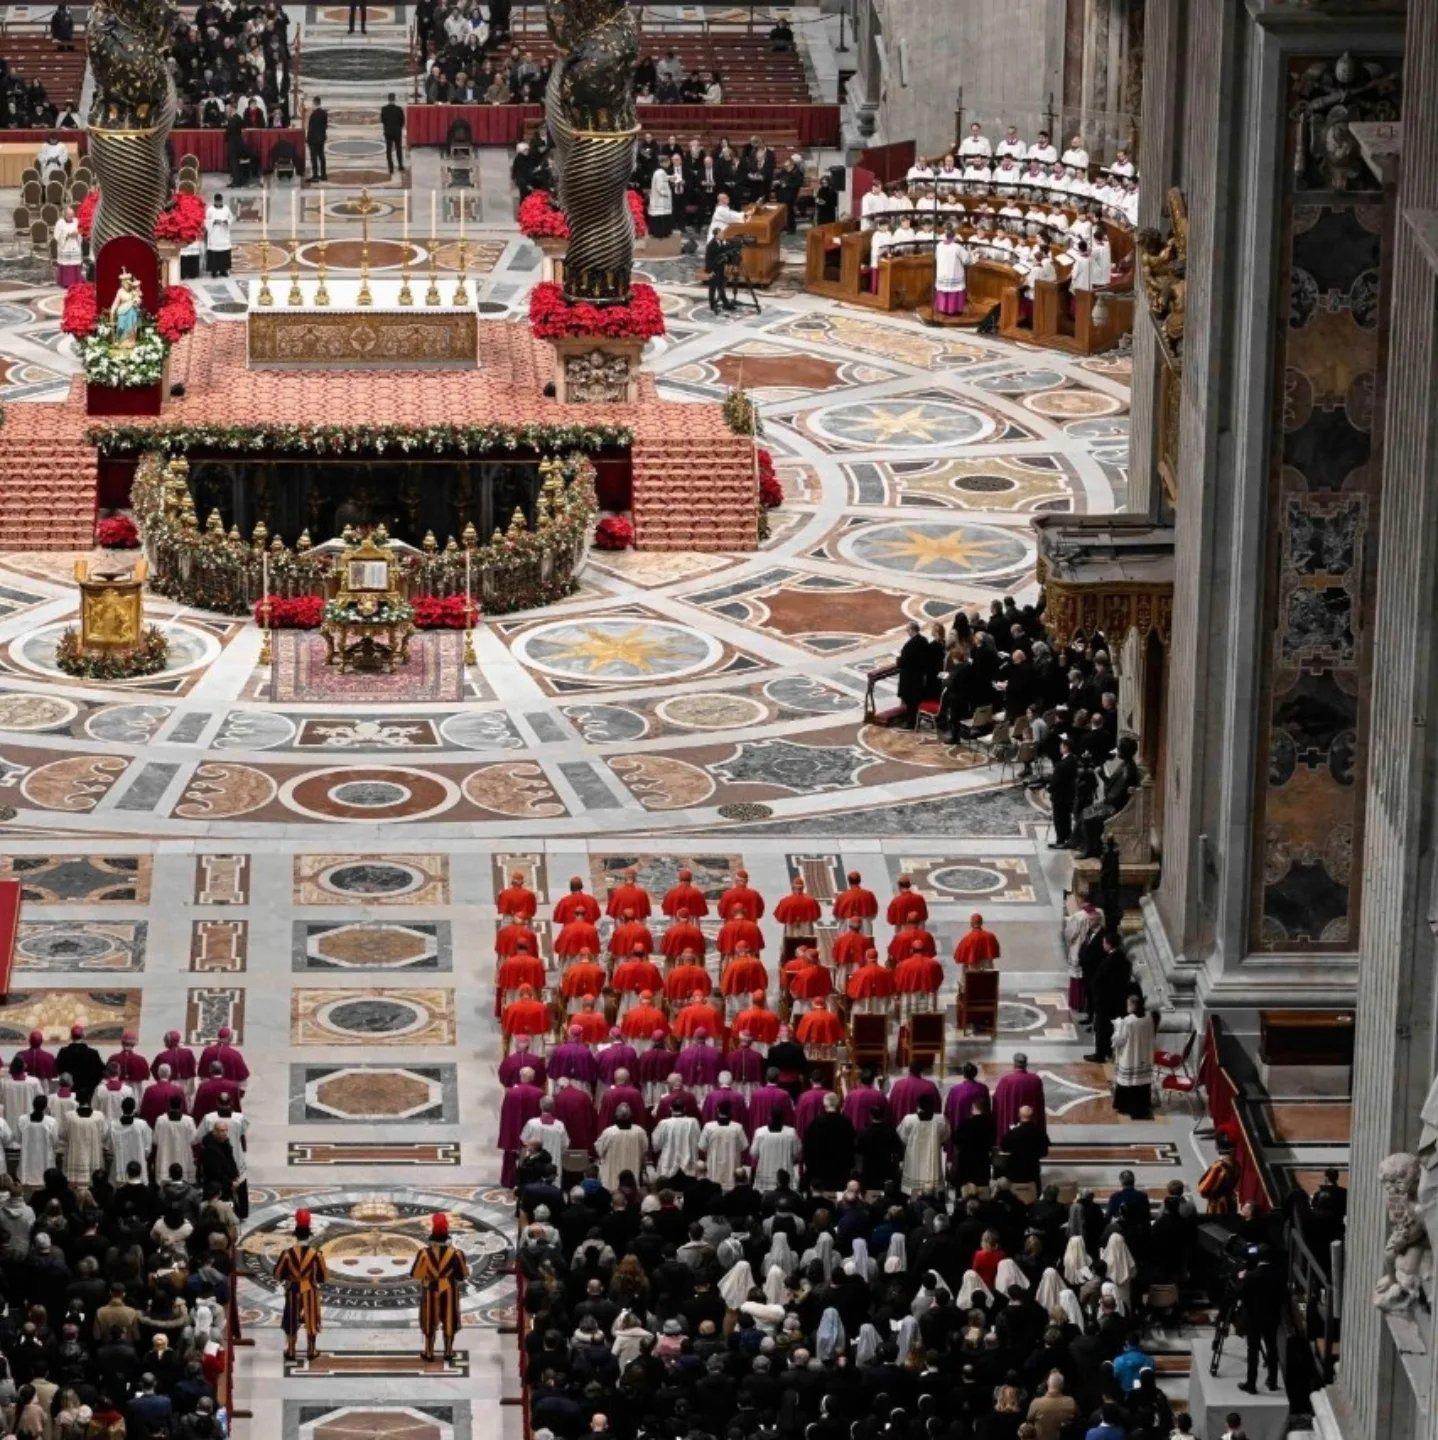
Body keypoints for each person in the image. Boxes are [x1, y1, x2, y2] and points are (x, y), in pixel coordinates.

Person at [411, 1212, 469, 1362]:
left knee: (429, 1320)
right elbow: (463, 1275)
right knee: (449, 1319)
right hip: (449, 1289)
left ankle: (429, 1352)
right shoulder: (456, 1254)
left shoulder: (423, 1253)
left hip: (430, 1289)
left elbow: (416, 1274)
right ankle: (448, 1352)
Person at [274, 1208, 328, 1362]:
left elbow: (277, 1274)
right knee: (311, 1319)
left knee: (291, 1319)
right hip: (310, 1290)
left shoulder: (286, 1254)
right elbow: (323, 1277)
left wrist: (290, 1278)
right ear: (309, 1235)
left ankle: (291, 1350)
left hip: (292, 1290)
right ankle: (311, 1350)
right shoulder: (316, 1254)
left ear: (295, 1235)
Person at [1111, 998, 1155, 1118]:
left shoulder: (1128, 1021)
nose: (1127, 1007)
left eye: (1128, 1004)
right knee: (1142, 1083)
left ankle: (1126, 1106)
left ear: (1132, 1006)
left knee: (1129, 1082)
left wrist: (1116, 1028)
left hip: (1130, 1056)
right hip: (1144, 1055)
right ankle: (1142, 1106)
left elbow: (1120, 1041)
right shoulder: (1149, 1017)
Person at [933, 223, 968, 317]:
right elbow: (967, 260)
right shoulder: (957, 248)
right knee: (954, 289)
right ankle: (953, 309)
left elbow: (936, 257)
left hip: (942, 273)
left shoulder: (939, 245)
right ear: (954, 236)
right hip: (953, 274)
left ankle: (942, 307)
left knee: (943, 289)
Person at [704, 230, 735, 314]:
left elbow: (722, 251)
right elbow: (707, 259)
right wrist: (709, 271)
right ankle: (712, 305)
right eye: (721, 234)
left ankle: (725, 303)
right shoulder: (711, 245)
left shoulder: (721, 242)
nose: (723, 235)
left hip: (720, 268)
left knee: (721, 287)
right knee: (713, 288)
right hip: (713, 269)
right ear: (716, 235)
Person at [53, 205, 82, 289]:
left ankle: (76, 281)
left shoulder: (76, 221)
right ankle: (66, 282)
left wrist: (77, 234)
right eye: (69, 215)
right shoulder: (60, 223)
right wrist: (67, 235)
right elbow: (56, 236)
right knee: (66, 264)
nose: (71, 217)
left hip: (74, 244)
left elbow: (81, 231)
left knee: (74, 263)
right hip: (65, 246)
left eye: (72, 215)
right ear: (65, 215)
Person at [204, 193, 233, 278]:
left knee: (224, 253)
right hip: (214, 234)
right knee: (214, 253)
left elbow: (231, 218)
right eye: (217, 202)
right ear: (215, 201)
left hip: (223, 234)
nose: (219, 203)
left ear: (222, 201)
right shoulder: (210, 210)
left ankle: (224, 270)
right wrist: (213, 221)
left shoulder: (226, 209)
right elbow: (206, 221)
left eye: (220, 202)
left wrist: (226, 221)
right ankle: (214, 271)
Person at [381, 92, 405, 174]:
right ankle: (400, 166)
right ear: (395, 99)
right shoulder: (399, 109)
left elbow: (382, 120)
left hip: (388, 132)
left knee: (389, 150)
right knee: (398, 149)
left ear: (388, 99)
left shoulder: (384, 109)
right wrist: (399, 128)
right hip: (397, 132)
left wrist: (387, 126)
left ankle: (391, 168)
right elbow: (402, 121)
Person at [307, 97, 329, 181]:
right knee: (321, 156)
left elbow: (311, 128)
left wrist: (308, 138)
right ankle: (323, 175)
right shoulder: (324, 113)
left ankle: (315, 175)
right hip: (321, 138)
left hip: (313, 139)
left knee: (314, 158)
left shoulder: (313, 114)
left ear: (314, 103)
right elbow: (325, 126)